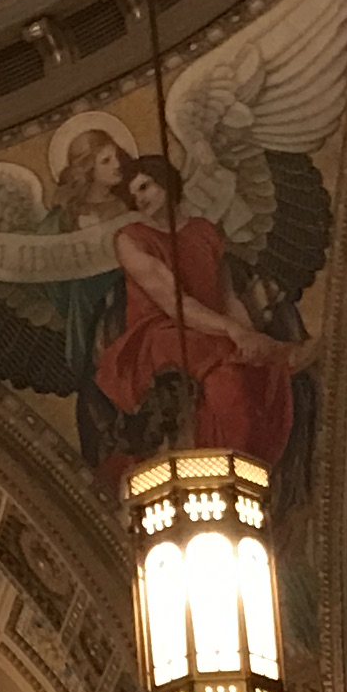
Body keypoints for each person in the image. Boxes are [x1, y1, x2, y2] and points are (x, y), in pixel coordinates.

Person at [94, 151, 308, 473]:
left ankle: (254, 463)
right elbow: (174, 304)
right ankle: (225, 468)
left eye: (146, 187)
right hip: (160, 334)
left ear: (166, 182)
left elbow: (227, 295)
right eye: (133, 194)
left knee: (261, 365)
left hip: (213, 325)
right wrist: (233, 332)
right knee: (227, 374)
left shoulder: (204, 231)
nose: (139, 199)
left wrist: (249, 335)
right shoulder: (131, 239)